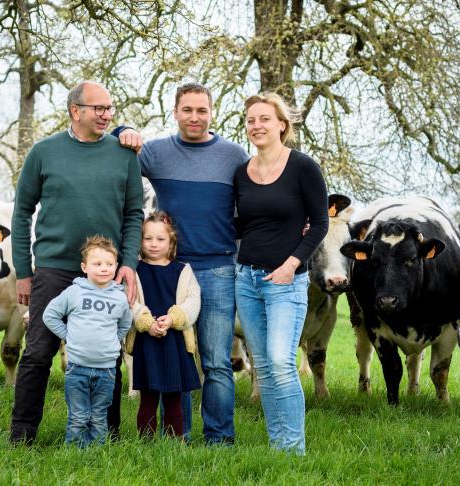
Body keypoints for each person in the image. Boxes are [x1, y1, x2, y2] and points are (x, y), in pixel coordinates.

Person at [9, 81, 144, 445]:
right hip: (53, 268)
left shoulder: (124, 155)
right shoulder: (44, 152)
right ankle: (22, 436)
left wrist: (127, 263)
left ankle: (107, 435)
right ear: (75, 111)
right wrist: (24, 271)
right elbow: (21, 213)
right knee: (37, 352)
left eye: (109, 108)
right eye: (98, 108)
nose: (106, 115)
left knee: (107, 354)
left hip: (105, 271)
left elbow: (134, 214)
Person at [118, 83, 249, 444]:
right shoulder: (157, 153)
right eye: (187, 110)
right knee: (178, 357)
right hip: (169, 272)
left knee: (216, 362)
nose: (195, 117)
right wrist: (121, 131)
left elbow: (258, 197)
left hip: (218, 268)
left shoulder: (234, 155)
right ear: (175, 112)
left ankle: (219, 438)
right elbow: (118, 157)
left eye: (202, 110)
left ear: (212, 112)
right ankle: (181, 436)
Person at [233, 92, 328, 455]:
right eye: (251, 120)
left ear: (282, 125)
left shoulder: (303, 167)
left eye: (264, 119)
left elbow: (319, 223)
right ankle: (279, 446)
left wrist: (292, 264)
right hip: (248, 280)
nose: (257, 125)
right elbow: (241, 225)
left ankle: (294, 449)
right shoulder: (242, 172)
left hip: (286, 282)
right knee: (264, 367)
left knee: (280, 361)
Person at [42, 236, 132, 447]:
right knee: (79, 416)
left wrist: (112, 342)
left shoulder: (119, 298)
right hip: (77, 367)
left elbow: (125, 325)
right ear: (84, 267)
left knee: (99, 416)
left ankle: (96, 453)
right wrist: (68, 336)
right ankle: (74, 451)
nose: (104, 269)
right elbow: (50, 315)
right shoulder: (74, 292)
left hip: (106, 369)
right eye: (97, 264)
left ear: (116, 266)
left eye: (109, 264)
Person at [124, 212, 202, 438]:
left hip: (174, 341)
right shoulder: (135, 271)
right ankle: (146, 443)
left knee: (173, 398)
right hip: (147, 341)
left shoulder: (182, 270)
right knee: (147, 398)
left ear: (171, 242)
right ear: (140, 241)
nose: (154, 244)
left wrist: (173, 318)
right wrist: (146, 323)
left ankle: (174, 441)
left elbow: (193, 299)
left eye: (160, 239)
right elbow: (130, 301)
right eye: (148, 239)